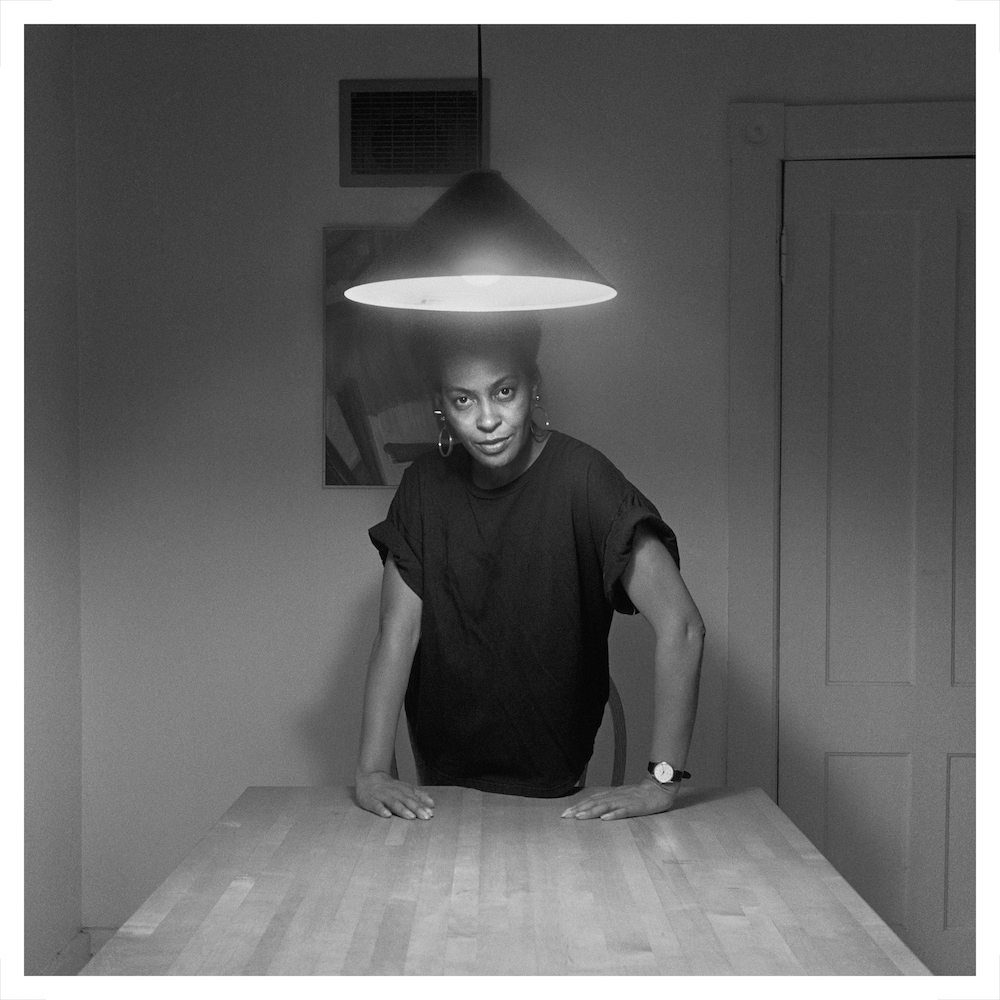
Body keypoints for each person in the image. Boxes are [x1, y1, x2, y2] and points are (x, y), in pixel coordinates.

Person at [355, 316, 704, 821]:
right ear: (441, 407)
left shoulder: (583, 478)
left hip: (555, 787)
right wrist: (370, 772)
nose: (487, 419)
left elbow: (684, 626)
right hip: (439, 787)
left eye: (504, 392)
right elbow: (397, 634)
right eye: (463, 400)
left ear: (532, 388)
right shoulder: (425, 488)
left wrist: (661, 783)